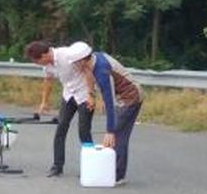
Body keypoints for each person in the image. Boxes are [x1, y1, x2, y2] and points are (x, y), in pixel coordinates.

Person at [25, 40, 95, 177]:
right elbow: (48, 81)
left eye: (37, 61)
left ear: (44, 55)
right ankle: (57, 166)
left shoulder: (68, 55)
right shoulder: (47, 66)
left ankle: (91, 166)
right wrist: (44, 102)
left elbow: (88, 71)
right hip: (68, 95)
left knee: (84, 130)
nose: (38, 64)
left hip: (84, 94)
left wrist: (91, 95)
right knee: (61, 128)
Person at [74, 49, 143, 184]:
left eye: (75, 62)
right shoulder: (94, 58)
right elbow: (92, 77)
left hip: (130, 97)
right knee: (118, 134)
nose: (74, 65)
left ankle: (118, 175)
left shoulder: (102, 70)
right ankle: (114, 172)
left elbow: (110, 102)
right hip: (122, 96)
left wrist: (109, 131)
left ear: (82, 60)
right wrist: (95, 96)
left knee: (117, 134)